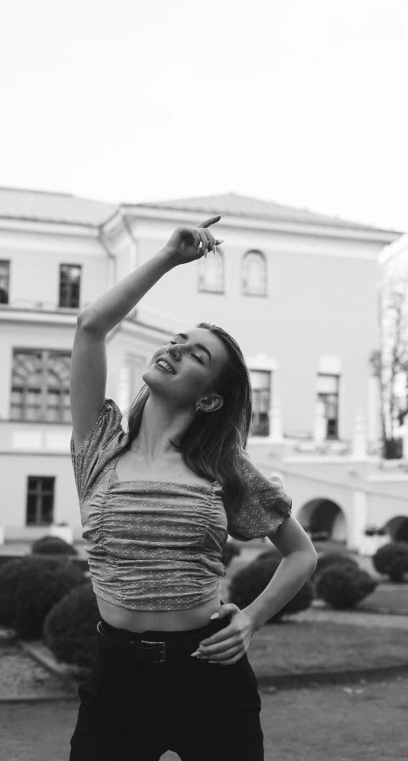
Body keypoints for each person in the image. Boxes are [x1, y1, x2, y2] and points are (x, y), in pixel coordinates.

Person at [68, 215, 318, 761]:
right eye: (178, 341)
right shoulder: (98, 445)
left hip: (208, 671)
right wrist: (168, 257)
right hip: (117, 678)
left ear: (208, 399)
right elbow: (90, 326)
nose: (176, 349)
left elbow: (302, 554)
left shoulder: (223, 468)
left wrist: (251, 618)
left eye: (196, 355)